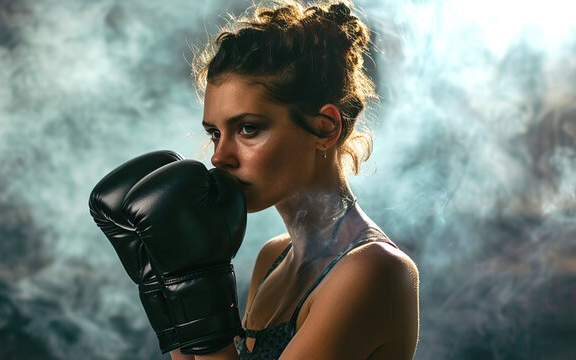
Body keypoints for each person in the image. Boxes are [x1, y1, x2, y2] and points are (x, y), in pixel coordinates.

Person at [90, 1, 419, 359]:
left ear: (325, 129)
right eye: (215, 133)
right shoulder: (273, 256)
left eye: (248, 128)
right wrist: (166, 283)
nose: (219, 157)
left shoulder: (374, 270)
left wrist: (198, 289)